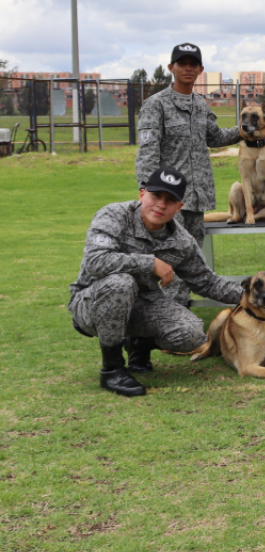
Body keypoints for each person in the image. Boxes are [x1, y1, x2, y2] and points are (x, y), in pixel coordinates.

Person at [69, 168, 245, 397]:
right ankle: (112, 369)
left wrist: (251, 296)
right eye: (156, 196)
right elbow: (95, 261)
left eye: (170, 200)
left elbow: (206, 282)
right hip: (92, 303)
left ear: (179, 207)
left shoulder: (181, 241)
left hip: (143, 303)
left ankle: (138, 345)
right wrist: (150, 263)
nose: (161, 204)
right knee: (121, 283)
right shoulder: (114, 215)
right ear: (142, 194)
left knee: (191, 333)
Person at [135, 43, 241, 306]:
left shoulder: (201, 105)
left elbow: (215, 137)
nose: (188, 68)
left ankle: (177, 314)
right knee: (169, 258)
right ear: (171, 68)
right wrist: (150, 196)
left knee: (191, 261)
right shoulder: (156, 105)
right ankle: (168, 317)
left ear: (201, 70)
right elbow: (147, 154)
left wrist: (246, 129)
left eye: (193, 64)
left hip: (196, 198)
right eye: (182, 63)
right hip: (168, 199)